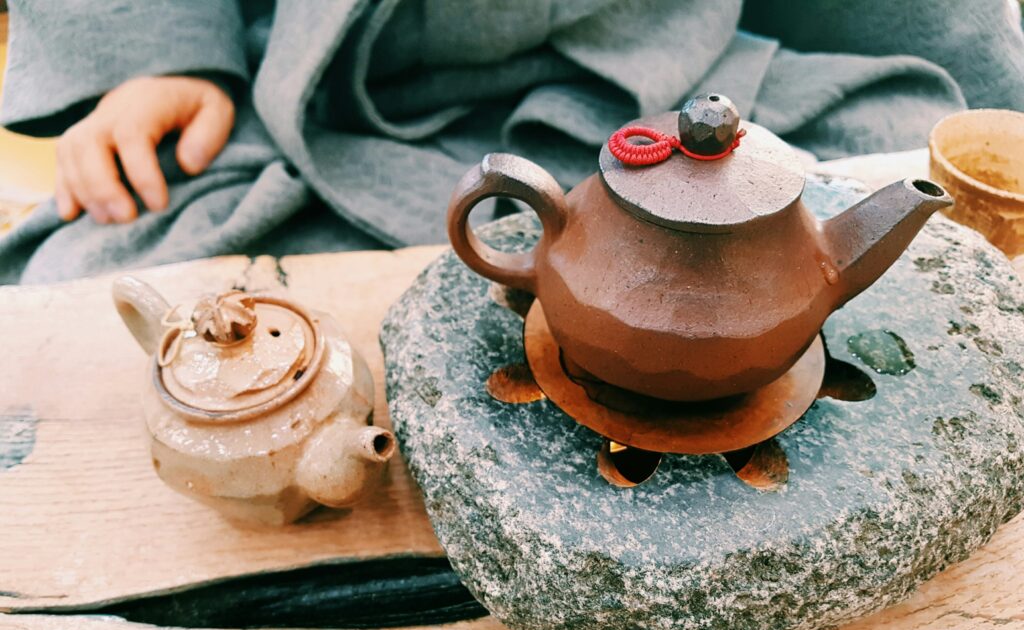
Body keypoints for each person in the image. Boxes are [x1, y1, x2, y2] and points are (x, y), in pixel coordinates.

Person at [2, 0, 1022, 284]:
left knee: (916, 226)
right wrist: (160, 54)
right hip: (320, 100)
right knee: (98, 277)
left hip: (684, 83)